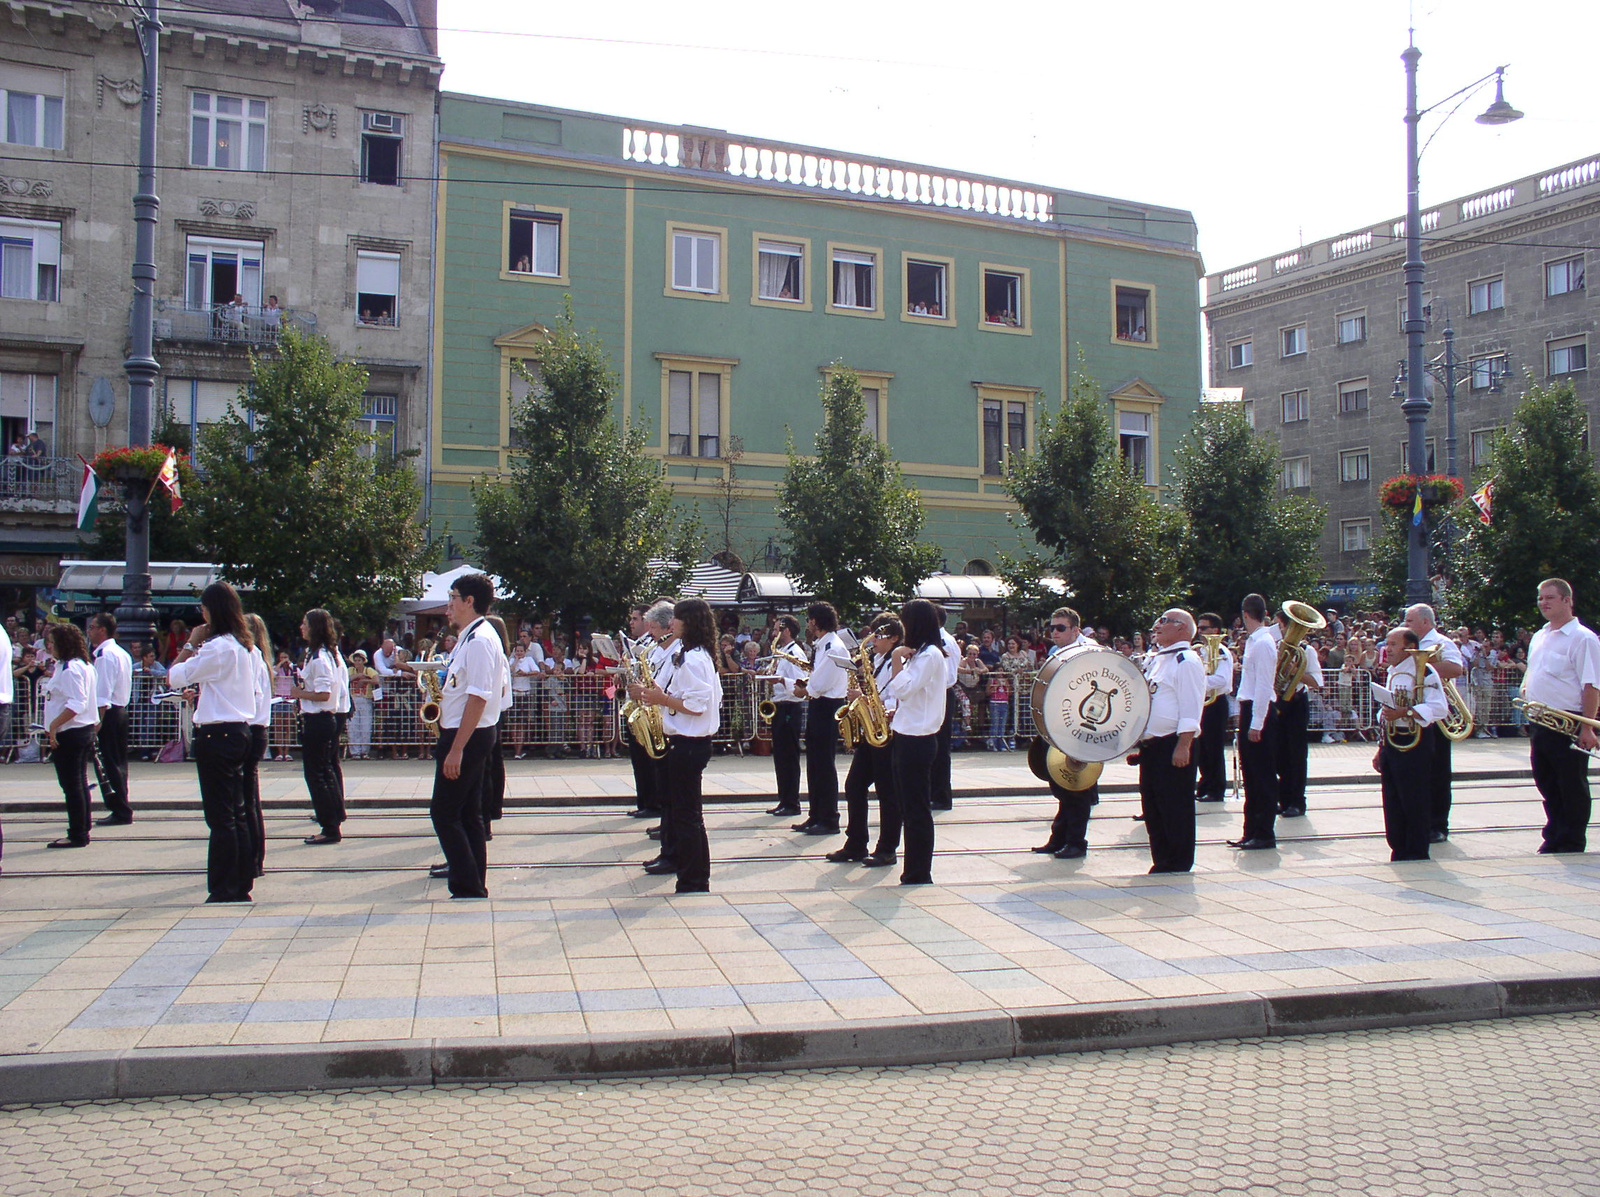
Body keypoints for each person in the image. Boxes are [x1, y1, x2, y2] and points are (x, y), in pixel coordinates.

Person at [167, 582, 258, 902]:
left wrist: (190, 645)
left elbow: (176, 675)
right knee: (237, 812)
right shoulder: (241, 645)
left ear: (211, 611)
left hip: (217, 734)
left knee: (221, 816)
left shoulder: (217, 647)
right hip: (237, 730)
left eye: (203, 609)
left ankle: (224, 886)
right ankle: (241, 880)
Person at [628, 598, 722, 894]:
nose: (672, 625)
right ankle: (690, 873)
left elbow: (696, 705)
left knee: (687, 816)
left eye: (677, 619)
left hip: (690, 743)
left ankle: (694, 879)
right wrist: (659, 693)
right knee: (686, 814)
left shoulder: (694, 658)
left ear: (688, 622)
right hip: (686, 741)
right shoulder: (693, 654)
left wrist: (662, 699)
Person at [429, 573, 506, 899]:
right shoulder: (471, 637)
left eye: (452, 600)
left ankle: (466, 883)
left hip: (468, 736)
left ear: (469, 601)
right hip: (469, 733)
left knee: (444, 813)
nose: (448, 608)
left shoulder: (479, 641)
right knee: (467, 814)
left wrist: (456, 748)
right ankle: (472, 882)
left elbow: (478, 697)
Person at [1522, 578, 1600, 854]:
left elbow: (1590, 685)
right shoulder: (1540, 635)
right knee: (1546, 780)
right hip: (1540, 720)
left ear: (1567, 600)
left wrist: (1587, 728)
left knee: (1570, 782)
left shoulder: (1583, 638)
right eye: (1541, 598)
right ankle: (1555, 833)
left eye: (1550, 598)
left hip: (1568, 720)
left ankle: (1572, 838)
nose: (1543, 603)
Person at [879, 599, 947, 885]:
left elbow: (904, 689)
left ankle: (919, 871)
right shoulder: (919, 654)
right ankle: (913, 868)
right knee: (907, 806)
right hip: (906, 733)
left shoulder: (930, 654)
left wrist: (895, 659)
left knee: (917, 808)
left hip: (918, 740)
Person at [829, 614, 902, 867]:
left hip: (886, 732)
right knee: (854, 785)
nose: (874, 640)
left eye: (878, 635)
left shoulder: (898, 661)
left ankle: (887, 848)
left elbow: (895, 698)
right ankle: (856, 843)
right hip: (872, 731)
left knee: (887, 792)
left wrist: (865, 698)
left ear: (894, 638)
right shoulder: (878, 659)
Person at [1032, 608, 1103, 860]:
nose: (1054, 633)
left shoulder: (1091, 651)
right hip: (1058, 726)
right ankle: (1059, 838)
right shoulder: (1055, 652)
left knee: (1077, 788)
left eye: (1060, 628)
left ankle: (1076, 841)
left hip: (1081, 728)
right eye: (1051, 628)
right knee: (1062, 786)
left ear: (1075, 630)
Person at [1138, 609, 1206, 873]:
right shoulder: (1157, 659)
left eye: (1164, 621)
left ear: (1182, 628)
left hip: (1173, 744)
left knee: (1175, 805)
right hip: (1153, 745)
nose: (1157, 625)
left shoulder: (1185, 660)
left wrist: (1184, 744)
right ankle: (1162, 858)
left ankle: (1178, 860)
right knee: (1153, 805)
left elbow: (1192, 706)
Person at [1370, 628, 1447, 861]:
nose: (1387, 649)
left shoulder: (1425, 671)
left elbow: (1439, 707)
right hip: (1393, 741)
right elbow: (1390, 709)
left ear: (1409, 647)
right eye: (1387, 644)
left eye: (1393, 644)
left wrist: (1407, 712)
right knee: (1392, 798)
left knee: (1413, 797)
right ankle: (1399, 845)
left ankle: (1416, 848)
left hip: (1416, 742)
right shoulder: (1393, 671)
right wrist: (1380, 747)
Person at [1404, 603, 1466, 843]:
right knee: (1419, 772)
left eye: (1409, 621)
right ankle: (1421, 821)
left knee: (1438, 772)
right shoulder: (1410, 644)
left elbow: (1455, 668)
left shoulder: (1441, 642)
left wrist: (1421, 668)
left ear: (1425, 622)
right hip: (1416, 713)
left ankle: (1438, 825)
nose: (1405, 625)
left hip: (1436, 715)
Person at [290, 609, 348, 846]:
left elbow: (324, 694)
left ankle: (329, 826)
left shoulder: (320, 658)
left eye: (305, 624)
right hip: (319, 720)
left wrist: (299, 693)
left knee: (317, 774)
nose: (301, 627)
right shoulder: (320, 654)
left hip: (319, 720)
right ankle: (333, 818)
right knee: (324, 771)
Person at [793, 602, 849, 836]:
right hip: (820, 705)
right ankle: (816, 814)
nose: (808, 624)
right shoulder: (824, 644)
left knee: (824, 765)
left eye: (809, 619)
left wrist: (804, 690)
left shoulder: (833, 646)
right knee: (815, 764)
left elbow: (821, 683)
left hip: (828, 706)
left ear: (816, 621)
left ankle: (828, 818)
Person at [42, 623, 99, 849]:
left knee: (71, 785)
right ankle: (82, 827)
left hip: (71, 731)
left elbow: (77, 703)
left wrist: (54, 726)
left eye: (53, 642)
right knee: (79, 783)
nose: (50, 646)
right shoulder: (78, 665)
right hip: (81, 729)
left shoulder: (72, 669)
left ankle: (77, 833)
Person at [1230, 593, 1279, 851]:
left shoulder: (1263, 643)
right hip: (1250, 707)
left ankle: (1264, 832)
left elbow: (1263, 685)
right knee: (1250, 775)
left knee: (1262, 775)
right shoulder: (1254, 641)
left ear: (1245, 615)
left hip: (1260, 709)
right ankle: (1251, 830)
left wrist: (1257, 722)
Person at [1272, 606, 1324, 818]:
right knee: (1278, 753)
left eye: (1281, 624)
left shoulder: (1306, 651)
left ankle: (1297, 801)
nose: (1280, 628)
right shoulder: (1273, 647)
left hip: (1296, 702)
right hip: (1276, 701)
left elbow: (1317, 682)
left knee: (1296, 754)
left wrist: (1295, 671)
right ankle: (1283, 799)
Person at [624, 602, 672, 817]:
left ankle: (657, 809)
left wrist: (648, 691)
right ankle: (649, 806)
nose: (650, 632)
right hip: (650, 708)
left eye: (653, 627)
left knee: (662, 773)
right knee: (645, 765)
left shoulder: (678, 653)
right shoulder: (656, 650)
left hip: (666, 716)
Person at [88, 614, 134, 826]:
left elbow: (102, 694)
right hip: (120, 710)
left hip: (110, 712)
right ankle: (121, 805)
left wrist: (97, 723)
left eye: (92, 627)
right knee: (118, 762)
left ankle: (119, 808)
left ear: (103, 630)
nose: (89, 631)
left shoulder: (105, 655)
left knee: (109, 763)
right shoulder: (120, 652)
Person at [763, 614, 807, 819]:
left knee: (788, 756)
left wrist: (781, 679)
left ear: (786, 630)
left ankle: (792, 802)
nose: (773, 634)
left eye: (776, 629)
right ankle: (784, 799)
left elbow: (801, 682)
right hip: (780, 706)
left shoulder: (795, 652)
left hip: (790, 706)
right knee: (781, 757)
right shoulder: (781, 653)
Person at [1193, 612, 1234, 805]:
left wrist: (1197, 681)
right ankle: (1205, 785)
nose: (1199, 632)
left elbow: (1222, 680)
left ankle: (1217, 789)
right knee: (1202, 748)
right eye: (1199, 628)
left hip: (1216, 703)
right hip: (1203, 703)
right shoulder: (1201, 652)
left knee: (1214, 748)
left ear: (1215, 630)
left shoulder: (1221, 652)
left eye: (1204, 628)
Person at [929, 608, 961, 810]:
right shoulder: (934, 641)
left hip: (942, 695)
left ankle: (941, 795)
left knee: (940, 748)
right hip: (934, 696)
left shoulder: (944, 642)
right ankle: (934, 791)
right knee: (932, 748)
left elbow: (948, 677)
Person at [347, 649, 377, 759]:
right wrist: (358, 676)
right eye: (356, 660)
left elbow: (376, 680)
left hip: (365, 699)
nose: (357, 662)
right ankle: (354, 751)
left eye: (360, 660)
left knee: (365, 726)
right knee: (353, 726)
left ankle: (364, 751)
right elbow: (346, 679)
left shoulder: (369, 670)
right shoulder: (351, 670)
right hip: (353, 699)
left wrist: (365, 681)